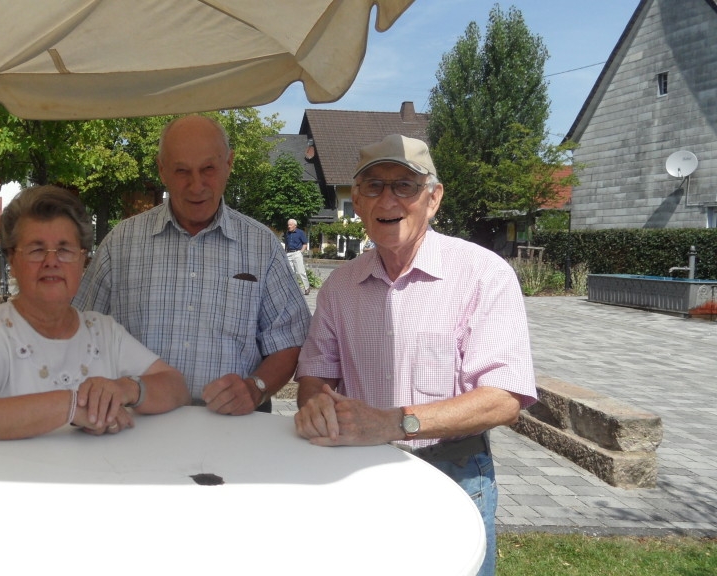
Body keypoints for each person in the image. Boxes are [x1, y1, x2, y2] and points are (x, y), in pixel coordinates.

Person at [293, 134, 537, 576]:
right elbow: (314, 375)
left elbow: (505, 398)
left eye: (405, 185)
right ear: (359, 201)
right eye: (373, 186)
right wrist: (315, 406)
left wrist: (392, 422)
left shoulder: (483, 274)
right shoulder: (339, 287)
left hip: (454, 469)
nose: (389, 199)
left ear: (433, 198)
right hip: (357, 469)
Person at [0, 185, 189, 576]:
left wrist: (125, 390)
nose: (52, 261)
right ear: (12, 260)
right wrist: (74, 406)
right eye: (35, 249)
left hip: (82, 538)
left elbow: (176, 386)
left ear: (82, 261)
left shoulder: (104, 331)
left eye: (65, 249)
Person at [73, 114, 311, 415]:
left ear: (229, 164)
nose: (196, 185)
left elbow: (288, 339)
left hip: (232, 430)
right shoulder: (120, 243)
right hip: (137, 427)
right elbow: (80, 332)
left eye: (208, 169)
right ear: (162, 171)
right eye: (182, 171)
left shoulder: (261, 246)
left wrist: (256, 387)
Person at [284, 218, 310, 295]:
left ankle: (307, 287)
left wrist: (301, 252)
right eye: (288, 225)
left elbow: (305, 243)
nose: (289, 226)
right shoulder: (287, 233)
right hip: (288, 253)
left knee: (300, 272)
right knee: (291, 272)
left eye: (290, 225)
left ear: (295, 225)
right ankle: (293, 289)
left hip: (297, 253)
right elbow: (286, 244)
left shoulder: (300, 233)